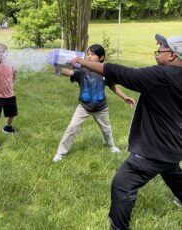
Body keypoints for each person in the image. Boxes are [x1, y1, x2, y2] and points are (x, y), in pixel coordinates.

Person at [71, 34, 182, 229]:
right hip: (174, 145)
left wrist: (83, 62)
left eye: (162, 48)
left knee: (123, 184)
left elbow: (121, 73)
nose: (158, 49)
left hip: (155, 147)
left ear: (172, 55)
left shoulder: (162, 76)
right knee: (171, 169)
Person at [52, 44, 135, 163]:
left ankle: (111, 146)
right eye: (88, 54)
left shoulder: (104, 72)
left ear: (101, 57)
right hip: (84, 107)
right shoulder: (82, 70)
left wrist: (124, 97)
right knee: (72, 128)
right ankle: (60, 153)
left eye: (93, 54)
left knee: (106, 129)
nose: (89, 56)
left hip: (101, 107)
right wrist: (59, 68)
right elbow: (70, 72)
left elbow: (112, 86)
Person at [0, 43, 18, 147]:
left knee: (12, 113)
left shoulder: (11, 64)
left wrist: (12, 83)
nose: (1, 54)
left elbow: (13, 75)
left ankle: (8, 127)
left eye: (3, 52)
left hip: (10, 94)